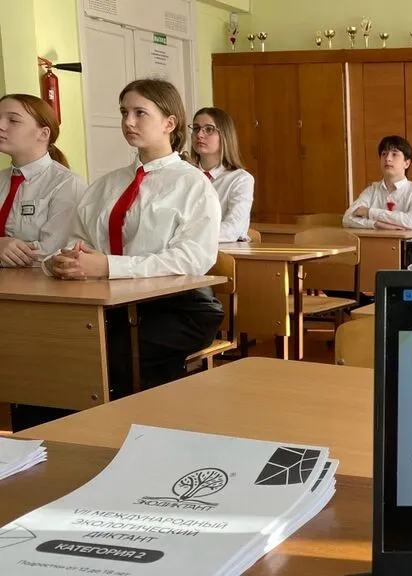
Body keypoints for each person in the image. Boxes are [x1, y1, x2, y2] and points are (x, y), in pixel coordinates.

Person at [32, 79, 223, 429]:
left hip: (177, 307)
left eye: (140, 113)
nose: (128, 122)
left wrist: (108, 266)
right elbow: (74, 239)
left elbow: (193, 259)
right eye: (124, 112)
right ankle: (52, 442)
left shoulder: (192, 184)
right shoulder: (106, 185)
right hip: (109, 305)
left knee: (114, 354)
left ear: (169, 123)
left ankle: (135, 437)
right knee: (50, 350)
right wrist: (59, 261)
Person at [0, 94, 86, 267]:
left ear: (43, 133)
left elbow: (54, 251)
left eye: (13, 120)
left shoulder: (68, 184)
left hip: (38, 282)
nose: (1, 126)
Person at [343, 135, 412, 269]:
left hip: (410, 247)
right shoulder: (372, 190)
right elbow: (347, 218)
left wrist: (370, 212)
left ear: (406, 163)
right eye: (384, 154)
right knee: (347, 266)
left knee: (401, 270)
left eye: (394, 154)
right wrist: (377, 224)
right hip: (376, 244)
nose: (388, 158)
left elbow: (411, 222)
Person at [189, 107, 254, 242]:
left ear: (224, 135)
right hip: (185, 248)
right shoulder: (186, 175)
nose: (199, 135)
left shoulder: (240, 179)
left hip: (226, 250)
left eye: (209, 129)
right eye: (196, 128)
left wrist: (189, 235)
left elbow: (233, 229)